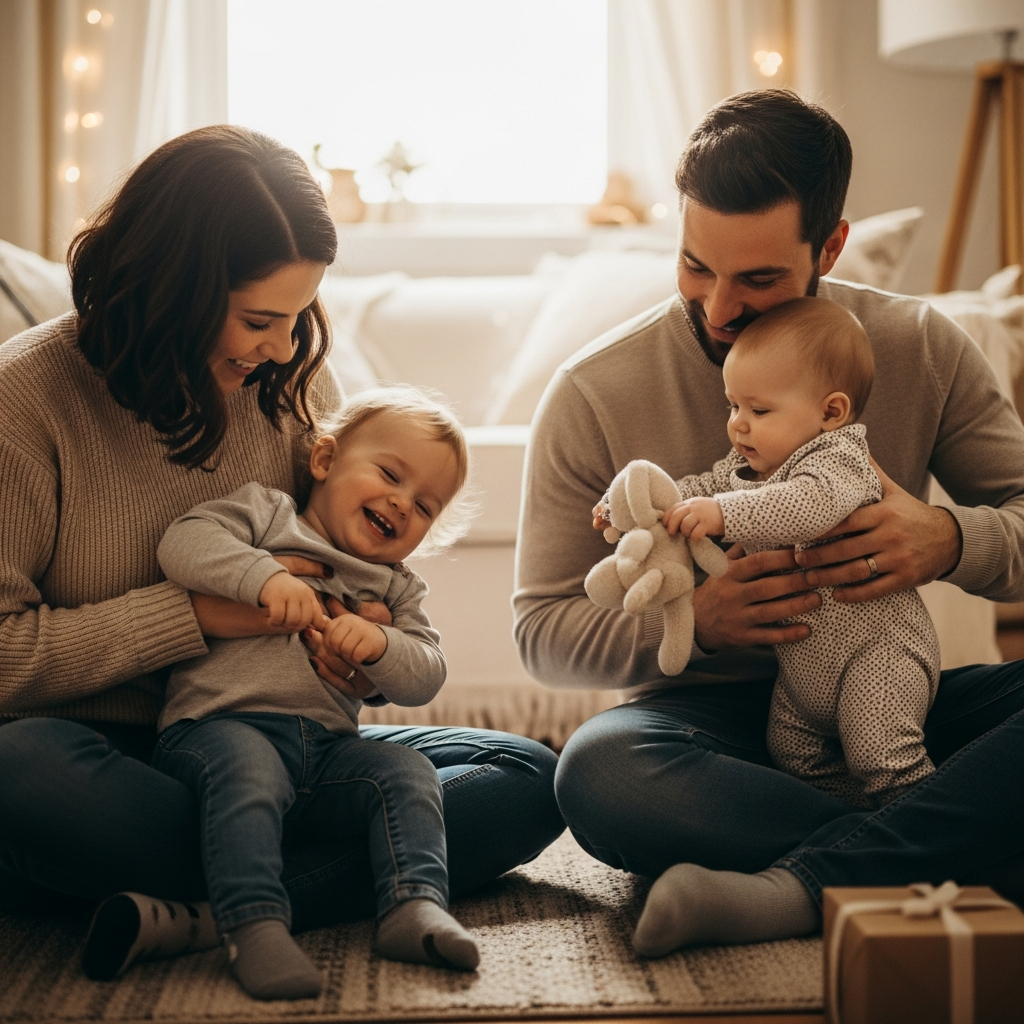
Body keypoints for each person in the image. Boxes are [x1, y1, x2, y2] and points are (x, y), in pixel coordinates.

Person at [0, 126, 564, 974]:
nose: (281, 346)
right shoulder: (25, 403)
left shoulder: (290, 384)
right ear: (169, 289)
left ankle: (215, 905)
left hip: (289, 747)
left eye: (300, 316)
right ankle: (332, 882)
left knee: (524, 775)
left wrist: (360, 649)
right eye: (259, 319)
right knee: (18, 771)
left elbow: (345, 572)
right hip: (123, 762)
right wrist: (194, 616)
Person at [514, 89, 1024, 958]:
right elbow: (542, 632)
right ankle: (944, 836)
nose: (715, 308)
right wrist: (701, 628)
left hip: (891, 702)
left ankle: (800, 887)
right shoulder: (594, 391)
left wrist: (950, 540)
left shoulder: (922, 347)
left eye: (756, 279)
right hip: (698, 735)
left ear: (829, 246)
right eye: (693, 266)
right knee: (596, 774)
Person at [136, 387, 478, 999]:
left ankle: (413, 906)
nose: (401, 503)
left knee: (406, 771)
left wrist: (379, 644)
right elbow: (184, 542)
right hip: (217, 728)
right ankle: (254, 922)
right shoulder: (270, 517)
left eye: (425, 506)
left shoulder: (396, 588)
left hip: (325, 752)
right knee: (248, 772)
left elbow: (427, 670)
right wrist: (261, 576)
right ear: (324, 460)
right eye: (389, 474)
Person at [651, 297, 940, 810]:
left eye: (759, 410)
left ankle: (921, 824)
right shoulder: (748, 469)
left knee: (882, 754)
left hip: (877, 656)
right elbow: (694, 490)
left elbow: (803, 509)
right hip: (804, 678)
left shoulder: (841, 461)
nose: (738, 424)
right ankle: (847, 827)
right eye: (733, 406)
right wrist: (643, 501)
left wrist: (721, 513)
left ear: (831, 412)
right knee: (793, 755)